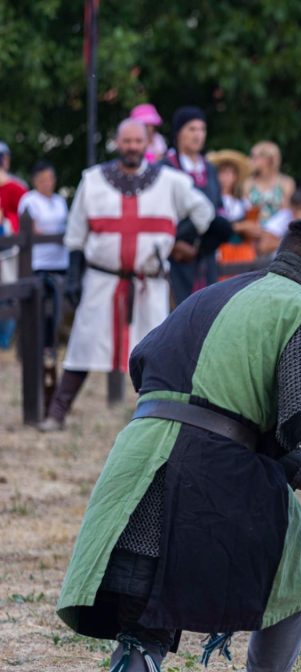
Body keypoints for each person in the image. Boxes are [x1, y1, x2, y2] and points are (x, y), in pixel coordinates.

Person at [55, 218, 301, 672]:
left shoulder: (214, 294)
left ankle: (135, 666)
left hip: (137, 462)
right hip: (209, 474)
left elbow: (151, 363)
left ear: (281, 257)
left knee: (143, 624)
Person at [37, 119, 223, 432]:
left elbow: (204, 213)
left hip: (147, 282)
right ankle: (57, 413)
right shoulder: (93, 180)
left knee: (158, 353)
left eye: (138, 141)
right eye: (127, 141)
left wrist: (177, 238)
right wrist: (73, 278)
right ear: (117, 143)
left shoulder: (170, 181)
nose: (132, 147)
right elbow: (76, 234)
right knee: (83, 346)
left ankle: (159, 421)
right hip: (102, 280)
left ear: (146, 145)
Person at [17, 160, 69, 402]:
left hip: (60, 263)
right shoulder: (29, 201)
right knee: (41, 313)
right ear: (35, 181)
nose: (48, 183)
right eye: (43, 179)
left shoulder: (59, 201)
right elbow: (32, 231)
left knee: (57, 312)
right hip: (38, 264)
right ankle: (39, 349)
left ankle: (51, 347)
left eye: (50, 178)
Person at [162, 106, 223, 305]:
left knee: (208, 313)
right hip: (175, 255)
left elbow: (217, 208)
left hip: (206, 256)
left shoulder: (210, 169)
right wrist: (173, 244)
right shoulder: (166, 168)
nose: (198, 135)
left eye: (202, 129)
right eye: (192, 129)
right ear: (178, 133)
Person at [208, 149, 260, 270]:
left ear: (236, 177)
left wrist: (252, 229)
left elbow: (253, 231)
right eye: (223, 172)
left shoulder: (242, 202)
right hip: (220, 251)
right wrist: (242, 226)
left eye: (230, 173)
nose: (226, 177)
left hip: (242, 252)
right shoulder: (212, 199)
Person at [0, 140, 29, 349]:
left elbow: (22, 222)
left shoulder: (17, 188)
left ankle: (4, 341)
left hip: (8, 251)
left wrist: (6, 221)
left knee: (8, 294)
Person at [245, 141, 295, 226]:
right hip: (254, 232)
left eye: (254, 157)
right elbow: (246, 211)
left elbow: (287, 213)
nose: (250, 160)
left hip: (278, 232)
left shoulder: (286, 183)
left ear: (268, 160)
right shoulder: (248, 183)